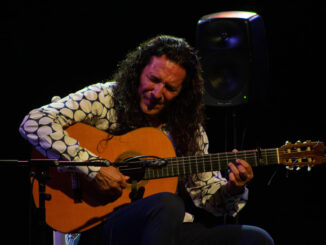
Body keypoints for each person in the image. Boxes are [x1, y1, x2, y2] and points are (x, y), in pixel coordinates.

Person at [19, 35, 274, 245]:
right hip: (98, 228)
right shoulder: (104, 97)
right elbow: (34, 122)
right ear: (138, 71)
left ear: (182, 94)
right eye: (153, 80)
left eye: (170, 88)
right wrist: (94, 169)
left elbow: (208, 197)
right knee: (168, 203)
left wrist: (233, 189)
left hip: (161, 228)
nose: (157, 93)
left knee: (255, 239)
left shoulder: (188, 130)